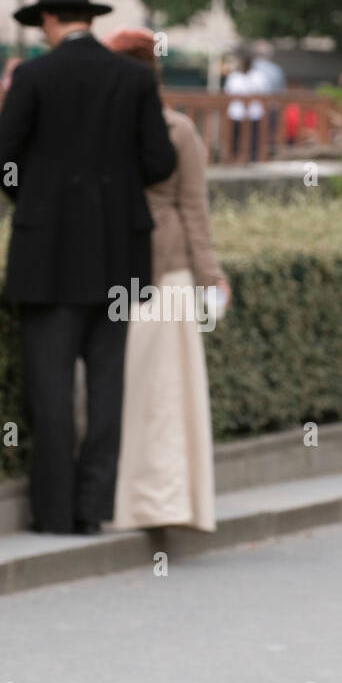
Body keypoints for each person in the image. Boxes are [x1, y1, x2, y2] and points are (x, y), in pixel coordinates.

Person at [0, 0, 176, 535]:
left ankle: (54, 512)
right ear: (88, 18)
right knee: (106, 388)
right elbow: (160, 162)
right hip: (118, 252)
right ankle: (93, 508)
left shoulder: (34, 77)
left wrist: (37, 197)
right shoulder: (134, 79)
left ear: (47, 20)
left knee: (51, 388)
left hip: (46, 254)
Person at [103, 27, 232, 533]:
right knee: (158, 394)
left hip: (156, 275)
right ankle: (157, 501)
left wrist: (209, 277)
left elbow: (193, 211)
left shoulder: (166, 131)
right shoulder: (175, 129)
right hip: (163, 272)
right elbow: (194, 213)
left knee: (144, 391)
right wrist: (210, 277)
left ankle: (140, 501)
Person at [224, 50, 269, 161]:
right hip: (237, 113)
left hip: (253, 113)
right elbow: (228, 92)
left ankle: (252, 157)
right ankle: (235, 157)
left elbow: (264, 92)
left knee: (253, 136)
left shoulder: (258, 76)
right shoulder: (234, 76)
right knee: (235, 136)